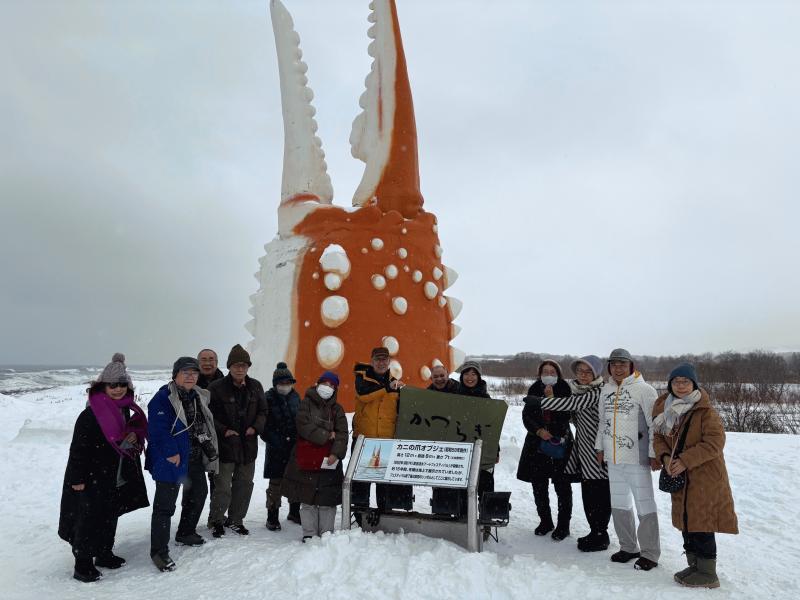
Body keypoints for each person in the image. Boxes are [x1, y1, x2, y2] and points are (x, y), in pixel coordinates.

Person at [58, 353, 149, 582]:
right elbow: (78, 450)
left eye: (122, 385)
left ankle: (104, 553)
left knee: (110, 515)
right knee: (88, 519)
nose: (118, 389)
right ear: (102, 386)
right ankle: (83, 564)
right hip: (92, 477)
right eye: (112, 385)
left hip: (114, 474)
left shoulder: (124, 408)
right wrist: (77, 479)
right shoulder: (90, 414)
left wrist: (133, 436)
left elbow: (121, 437)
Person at [653, 363, 738, 589]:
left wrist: (685, 460)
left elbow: (715, 443)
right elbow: (658, 437)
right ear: (670, 384)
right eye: (676, 382)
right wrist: (665, 458)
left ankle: (708, 573)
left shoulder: (706, 412)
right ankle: (694, 566)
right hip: (679, 476)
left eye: (686, 382)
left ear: (694, 384)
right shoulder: (665, 409)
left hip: (704, 478)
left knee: (701, 524)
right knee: (687, 522)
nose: (681, 386)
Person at [146, 356, 219, 572]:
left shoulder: (198, 395)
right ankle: (158, 552)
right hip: (171, 459)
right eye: (185, 372)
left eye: (194, 372)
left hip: (193, 457)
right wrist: (171, 452)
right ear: (175, 375)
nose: (190, 376)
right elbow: (157, 429)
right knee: (165, 506)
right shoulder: (163, 398)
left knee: (199, 493)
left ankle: (185, 532)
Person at [531, 355, 611, 552]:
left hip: (598, 450)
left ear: (596, 374)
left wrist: (541, 401)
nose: (583, 375)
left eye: (588, 371)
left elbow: (570, 405)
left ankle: (601, 534)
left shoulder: (598, 391)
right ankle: (595, 531)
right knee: (588, 492)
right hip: (583, 448)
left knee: (599, 492)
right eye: (580, 371)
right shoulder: (578, 390)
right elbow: (572, 416)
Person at [594, 348, 661, 571]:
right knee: (620, 504)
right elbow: (602, 422)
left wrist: (653, 453)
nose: (618, 368)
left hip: (637, 458)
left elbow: (654, 425)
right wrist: (599, 447)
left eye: (622, 364)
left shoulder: (645, 390)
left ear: (631, 366)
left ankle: (650, 553)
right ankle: (629, 547)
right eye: (614, 364)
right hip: (613, 458)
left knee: (644, 505)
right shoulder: (606, 390)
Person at [207, 344, 267, 537]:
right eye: (236, 365)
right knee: (223, 487)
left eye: (243, 365)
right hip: (225, 446)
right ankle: (216, 520)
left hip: (248, 446)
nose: (240, 369)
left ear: (248, 367)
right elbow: (209, 416)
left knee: (244, 485)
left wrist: (255, 427)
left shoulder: (256, 386)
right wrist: (224, 431)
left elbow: (263, 412)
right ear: (229, 366)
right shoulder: (216, 388)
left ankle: (236, 520)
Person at [281, 371, 349, 540]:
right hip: (306, 459)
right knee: (307, 500)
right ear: (318, 384)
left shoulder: (337, 409)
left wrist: (336, 453)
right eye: (325, 383)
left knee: (327, 501)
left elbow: (342, 435)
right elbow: (303, 426)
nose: (328, 387)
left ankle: (326, 534)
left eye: (332, 385)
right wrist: (327, 435)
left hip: (329, 461)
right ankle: (309, 534)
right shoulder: (305, 404)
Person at [516, 359, 575, 540]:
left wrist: (551, 399)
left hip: (560, 442)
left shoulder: (565, 389)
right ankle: (545, 521)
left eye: (552, 372)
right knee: (539, 485)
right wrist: (539, 430)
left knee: (562, 485)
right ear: (540, 374)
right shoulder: (534, 388)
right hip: (537, 444)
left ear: (558, 374)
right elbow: (527, 416)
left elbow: (566, 416)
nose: (548, 375)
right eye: (545, 372)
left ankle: (563, 525)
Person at [351, 347, 408, 516]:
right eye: (378, 359)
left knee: (384, 482)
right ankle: (360, 516)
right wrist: (387, 388)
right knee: (361, 481)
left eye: (384, 359)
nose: (381, 363)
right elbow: (364, 395)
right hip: (364, 439)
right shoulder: (362, 378)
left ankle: (383, 514)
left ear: (389, 362)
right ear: (372, 361)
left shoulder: (395, 384)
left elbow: (401, 411)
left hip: (386, 440)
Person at [262, 362, 302, 530]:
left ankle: (294, 512)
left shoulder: (296, 397)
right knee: (276, 484)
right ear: (275, 384)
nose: (285, 386)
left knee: (296, 481)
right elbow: (263, 426)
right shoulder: (267, 398)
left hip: (294, 448)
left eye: (288, 382)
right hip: (276, 449)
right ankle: (272, 516)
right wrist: (276, 441)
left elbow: (300, 420)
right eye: (281, 383)